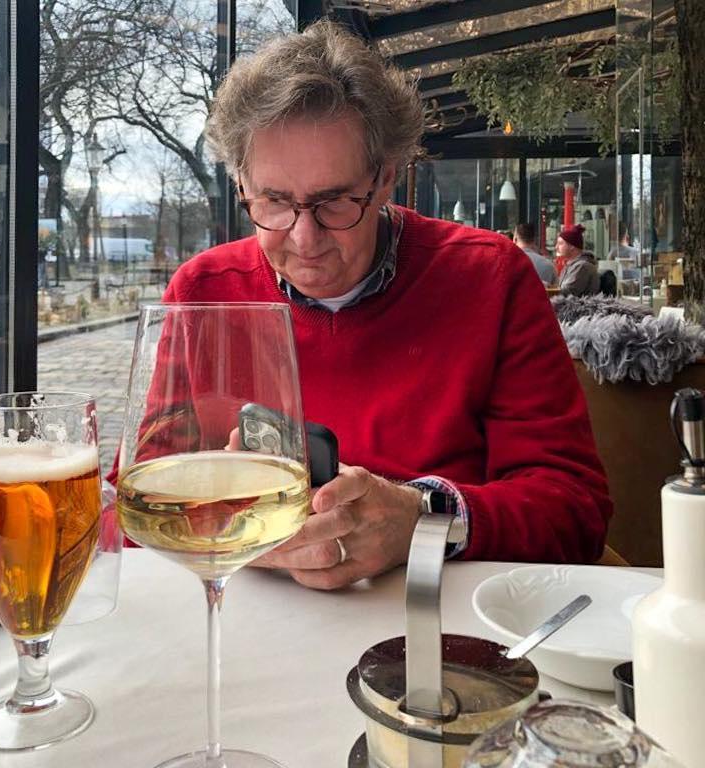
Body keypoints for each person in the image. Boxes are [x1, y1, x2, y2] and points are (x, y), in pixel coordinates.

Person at [160, 21, 611, 590]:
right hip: (242, 619)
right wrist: (222, 518)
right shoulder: (201, 292)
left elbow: (575, 509)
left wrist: (425, 518)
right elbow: (138, 502)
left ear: (385, 181)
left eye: (334, 201)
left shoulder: (491, 278)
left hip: (439, 620)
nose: (304, 238)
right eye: (273, 201)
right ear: (241, 186)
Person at [557, 224, 600, 297]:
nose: (556, 247)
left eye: (560, 243)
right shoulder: (571, 265)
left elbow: (568, 292)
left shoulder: (582, 266)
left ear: (572, 246)